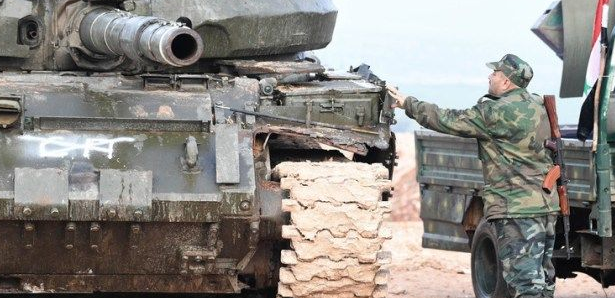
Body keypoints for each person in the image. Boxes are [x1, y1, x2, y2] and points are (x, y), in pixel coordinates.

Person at [388, 54, 560, 298]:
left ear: (506, 82)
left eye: (495, 73)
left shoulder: (495, 111)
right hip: (545, 205)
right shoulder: (538, 105)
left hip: (515, 209)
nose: (490, 76)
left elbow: (448, 120)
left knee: (525, 284)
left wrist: (408, 103)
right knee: (544, 280)